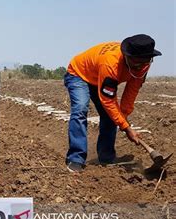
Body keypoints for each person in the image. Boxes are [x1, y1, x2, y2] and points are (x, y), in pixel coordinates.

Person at [64, 34, 162, 172]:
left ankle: (106, 158)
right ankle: (75, 158)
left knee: (112, 117)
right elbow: (108, 100)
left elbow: (131, 92)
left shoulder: (143, 65)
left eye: (145, 62)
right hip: (79, 75)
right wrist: (126, 128)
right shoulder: (111, 63)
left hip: (100, 76)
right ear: (127, 56)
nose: (140, 66)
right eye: (136, 62)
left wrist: (124, 117)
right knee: (80, 109)